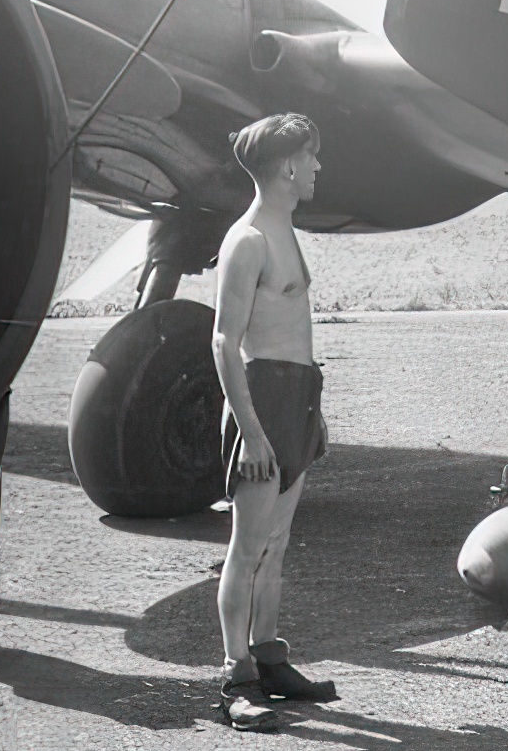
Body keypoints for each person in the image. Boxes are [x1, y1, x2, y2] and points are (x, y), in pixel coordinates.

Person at [211, 113, 338, 731]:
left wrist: (308, 413)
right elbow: (223, 343)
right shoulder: (249, 240)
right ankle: (238, 677)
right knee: (248, 549)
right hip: (261, 399)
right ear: (287, 167)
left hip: (296, 397)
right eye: (312, 157)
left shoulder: (284, 228)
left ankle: (269, 657)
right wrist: (253, 432)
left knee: (278, 546)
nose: (318, 167)